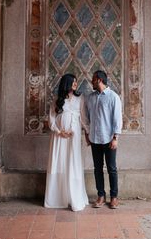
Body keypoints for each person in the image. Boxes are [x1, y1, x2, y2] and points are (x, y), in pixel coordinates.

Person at [44, 73, 89, 211]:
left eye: (76, 82)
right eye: (73, 82)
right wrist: (59, 132)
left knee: (72, 162)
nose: (75, 84)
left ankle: (74, 197)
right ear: (66, 83)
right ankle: (57, 198)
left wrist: (87, 132)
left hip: (73, 137)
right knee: (59, 162)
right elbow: (51, 119)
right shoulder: (57, 99)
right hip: (59, 137)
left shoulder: (80, 98)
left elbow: (83, 118)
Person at [85, 70, 122, 209]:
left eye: (93, 79)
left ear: (99, 80)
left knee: (112, 168)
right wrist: (86, 135)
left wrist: (115, 138)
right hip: (94, 139)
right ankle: (101, 195)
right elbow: (87, 118)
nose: (91, 82)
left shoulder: (113, 97)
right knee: (97, 169)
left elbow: (117, 119)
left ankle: (114, 197)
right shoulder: (90, 98)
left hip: (109, 138)